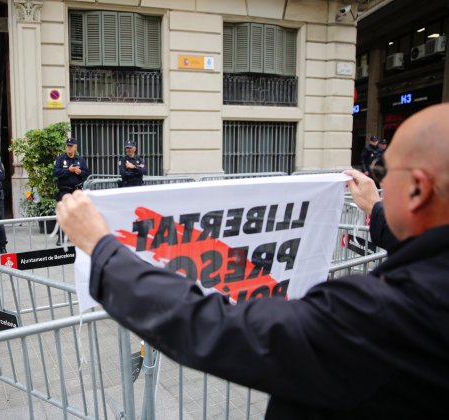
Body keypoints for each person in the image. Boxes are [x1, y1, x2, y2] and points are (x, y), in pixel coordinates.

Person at [56, 103, 449, 418]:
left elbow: (216, 326)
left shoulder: (379, 315)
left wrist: (102, 247)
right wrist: (378, 211)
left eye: (383, 169)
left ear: (416, 188)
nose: (376, 178)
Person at [52, 137, 89, 245]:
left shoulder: (80, 160)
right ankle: (61, 237)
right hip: (64, 191)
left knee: (77, 214)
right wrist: (69, 170)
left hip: (76, 191)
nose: (69, 148)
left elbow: (86, 173)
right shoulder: (60, 159)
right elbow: (55, 173)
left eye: (71, 146)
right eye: (68, 146)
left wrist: (79, 172)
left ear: (75, 147)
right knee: (63, 213)